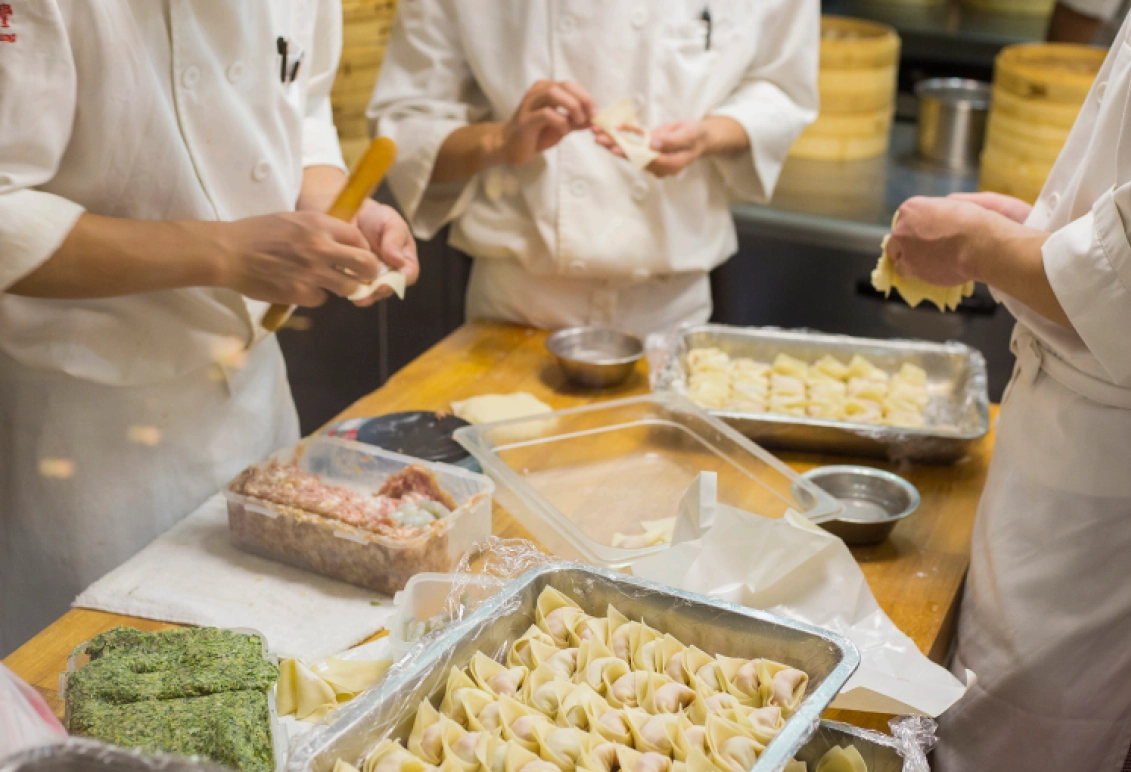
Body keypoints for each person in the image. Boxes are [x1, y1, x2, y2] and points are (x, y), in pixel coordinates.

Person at [0, 2, 418, 656]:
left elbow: (300, 106)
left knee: (278, 669)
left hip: (255, 400)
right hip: (87, 429)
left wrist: (335, 207)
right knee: (98, 682)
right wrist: (224, 253)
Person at [881, 1, 1131, 769]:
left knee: (1048, 741)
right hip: (1086, 455)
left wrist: (980, 246)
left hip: (1126, 491)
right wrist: (1039, 232)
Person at [368, 0, 818, 336]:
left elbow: (781, 87)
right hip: (518, 305)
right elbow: (405, 126)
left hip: (672, 307)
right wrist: (501, 140)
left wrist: (710, 134)